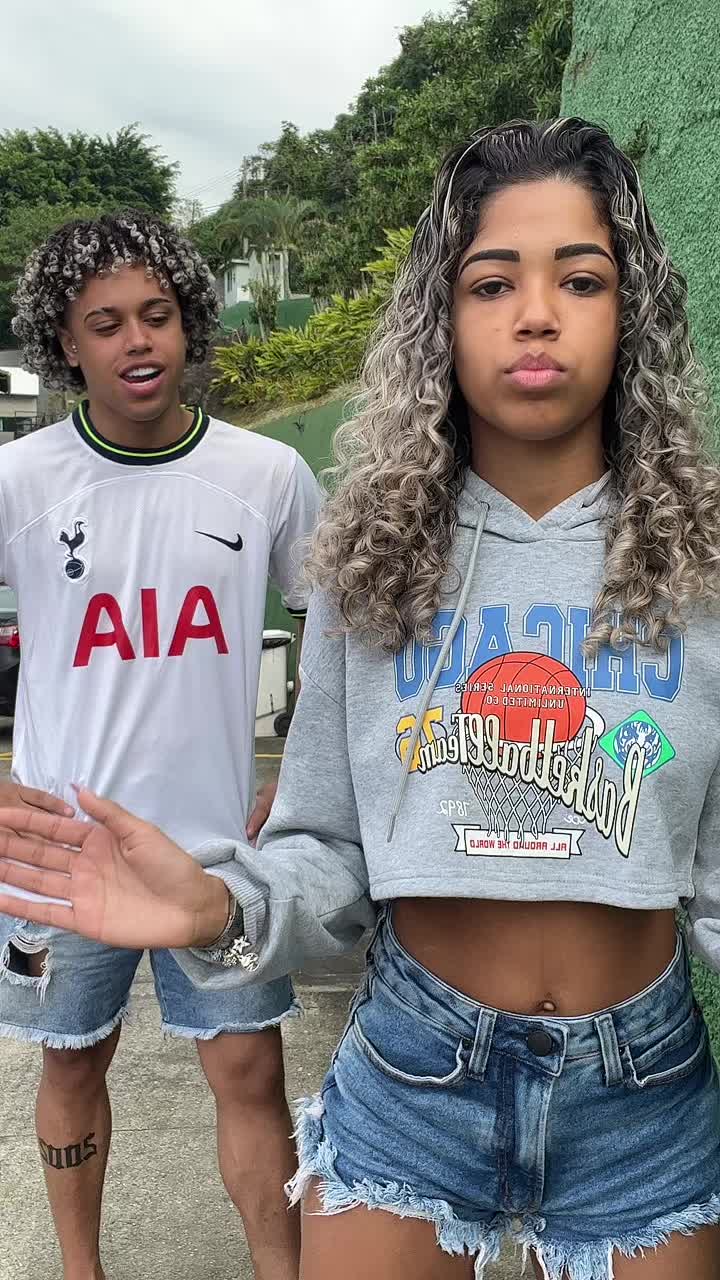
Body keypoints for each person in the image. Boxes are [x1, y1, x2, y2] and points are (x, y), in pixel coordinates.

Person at [2, 118, 720, 1280]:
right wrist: (223, 903)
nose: (537, 312)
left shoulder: (703, 566)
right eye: (494, 282)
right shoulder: (376, 562)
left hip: (644, 1096)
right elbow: (331, 853)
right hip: (410, 1075)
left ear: (630, 309)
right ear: (442, 316)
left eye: (581, 278)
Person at [0, 211, 322, 1280]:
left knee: (249, 1074)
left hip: (214, 856)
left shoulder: (268, 473)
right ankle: (79, 1271)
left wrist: (301, 777)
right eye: (105, 323)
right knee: (71, 1062)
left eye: (157, 314)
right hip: (60, 854)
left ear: (189, 325)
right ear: (66, 341)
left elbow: (340, 633)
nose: (136, 341)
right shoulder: (21, 479)